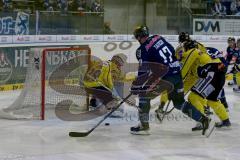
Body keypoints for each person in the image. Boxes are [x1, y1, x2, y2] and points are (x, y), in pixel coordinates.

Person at [130, 26, 210, 135]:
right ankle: (202, 119)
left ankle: (144, 126)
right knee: (179, 103)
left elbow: (143, 70)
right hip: (177, 75)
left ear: (138, 37)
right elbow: (172, 51)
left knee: (143, 96)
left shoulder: (142, 49)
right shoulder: (158, 37)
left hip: (166, 78)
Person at [83, 53, 127, 117]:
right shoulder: (109, 66)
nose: (119, 67)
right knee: (112, 98)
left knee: (107, 95)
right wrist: (113, 90)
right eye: (119, 65)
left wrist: (111, 89)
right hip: (93, 85)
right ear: (116, 62)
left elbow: (106, 78)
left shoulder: (105, 63)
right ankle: (103, 111)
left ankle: (94, 105)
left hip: (87, 85)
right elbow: (107, 79)